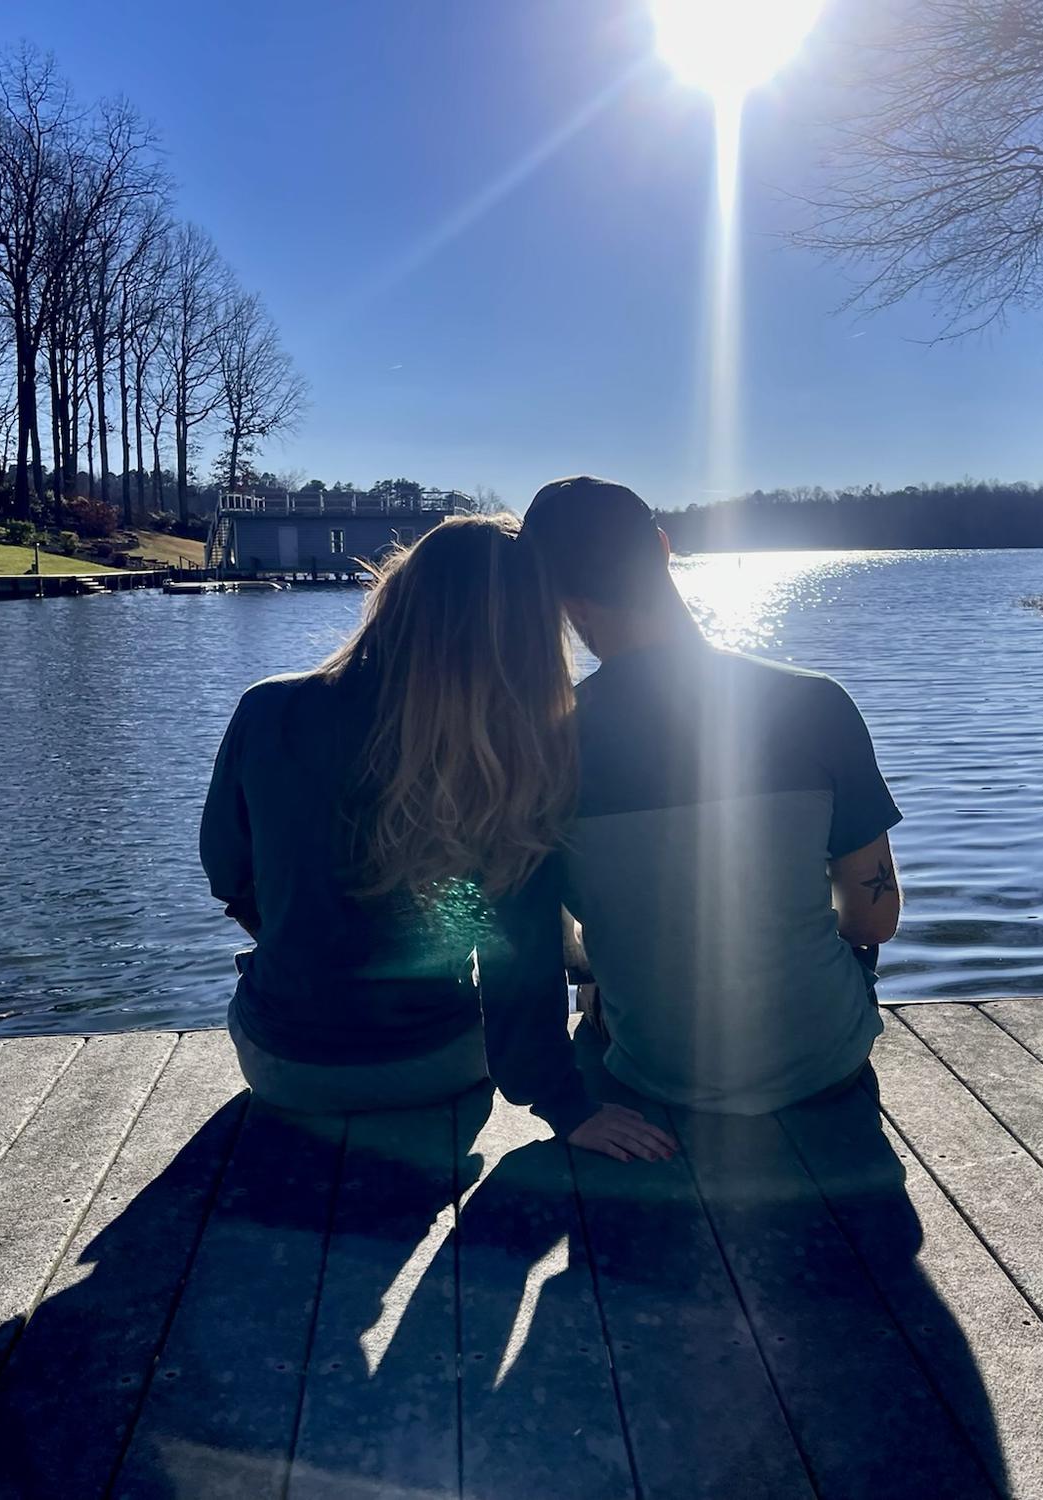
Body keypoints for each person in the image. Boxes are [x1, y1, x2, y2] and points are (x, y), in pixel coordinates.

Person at [200, 514, 676, 1163]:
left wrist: (306, 937)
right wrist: (565, 1104)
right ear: (529, 632)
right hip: (437, 1062)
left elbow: (229, 874)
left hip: (286, 1064)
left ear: (399, 593)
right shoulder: (512, 757)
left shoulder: (268, 711)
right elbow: (518, 953)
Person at [520, 477, 902, 1114]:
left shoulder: (540, 744)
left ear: (560, 599)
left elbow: (547, 939)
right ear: (664, 548)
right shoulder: (817, 704)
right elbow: (874, 918)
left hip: (655, 1074)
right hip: (822, 1061)